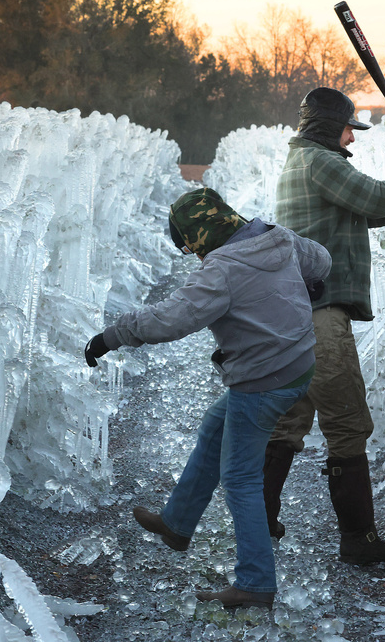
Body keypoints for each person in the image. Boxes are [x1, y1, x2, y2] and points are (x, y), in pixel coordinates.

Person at [84, 187, 331, 609]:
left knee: (240, 479)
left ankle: (254, 583)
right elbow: (321, 259)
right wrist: (309, 282)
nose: (192, 256)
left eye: (188, 247)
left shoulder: (221, 269)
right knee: (216, 425)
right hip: (298, 364)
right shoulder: (275, 236)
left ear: (199, 238)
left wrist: (112, 335)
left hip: (263, 378)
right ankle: (177, 523)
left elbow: (170, 319)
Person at [263, 87, 385, 565]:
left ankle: (258, 517)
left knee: (291, 420)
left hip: (298, 312)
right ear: (328, 128)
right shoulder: (321, 162)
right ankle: (358, 540)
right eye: (348, 128)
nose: (352, 137)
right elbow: (376, 195)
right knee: (347, 423)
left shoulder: (306, 164)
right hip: (321, 316)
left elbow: (360, 215)